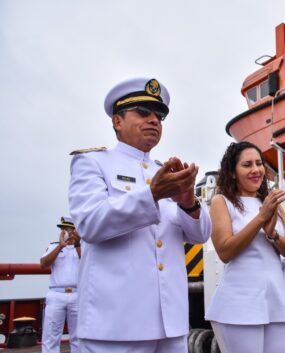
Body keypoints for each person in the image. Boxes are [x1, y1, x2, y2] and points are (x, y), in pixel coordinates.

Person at [68, 77, 211, 353]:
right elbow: (89, 224)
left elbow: (200, 235)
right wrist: (152, 195)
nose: (154, 120)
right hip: (116, 325)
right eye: (143, 113)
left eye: (159, 115)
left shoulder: (164, 171)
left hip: (170, 325)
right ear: (117, 121)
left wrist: (188, 202)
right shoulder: (93, 162)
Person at [205, 141, 285, 353]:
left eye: (259, 163)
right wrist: (261, 218)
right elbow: (225, 252)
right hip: (240, 302)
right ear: (233, 172)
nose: (256, 170)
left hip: (276, 299)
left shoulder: (273, 203)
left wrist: (272, 234)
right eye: (247, 165)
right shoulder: (221, 201)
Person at [39, 216, 81, 353]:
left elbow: (86, 262)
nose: (63, 232)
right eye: (62, 229)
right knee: (51, 334)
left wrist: (77, 244)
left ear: (74, 231)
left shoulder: (83, 248)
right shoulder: (52, 246)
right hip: (56, 294)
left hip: (77, 294)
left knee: (79, 336)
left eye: (67, 229)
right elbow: (43, 264)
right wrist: (60, 246)